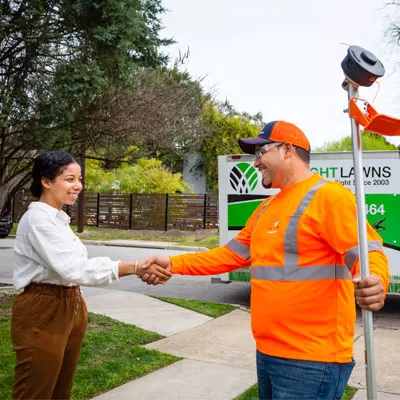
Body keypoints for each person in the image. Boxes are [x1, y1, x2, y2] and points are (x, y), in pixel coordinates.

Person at [140, 120, 389, 400]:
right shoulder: (265, 208)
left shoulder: (330, 197)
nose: (255, 162)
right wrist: (172, 264)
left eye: (261, 153)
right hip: (268, 352)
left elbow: (368, 252)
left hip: (312, 359)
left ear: (286, 150)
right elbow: (228, 255)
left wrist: (377, 280)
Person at [11, 151, 171, 400]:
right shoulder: (37, 220)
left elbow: (78, 266)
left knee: (61, 389)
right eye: (69, 179)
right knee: (35, 390)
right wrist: (135, 266)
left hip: (71, 303)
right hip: (43, 308)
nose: (78, 186)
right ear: (46, 181)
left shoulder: (58, 220)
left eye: (79, 179)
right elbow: (75, 268)